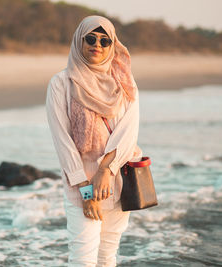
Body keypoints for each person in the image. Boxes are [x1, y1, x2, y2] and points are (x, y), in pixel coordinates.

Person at [46, 15, 142, 267]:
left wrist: (106, 170)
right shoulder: (61, 84)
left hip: (119, 181)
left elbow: (128, 133)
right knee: (82, 259)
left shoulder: (125, 83)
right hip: (82, 185)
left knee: (107, 257)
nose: (97, 44)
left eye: (104, 40)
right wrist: (87, 190)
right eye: (90, 38)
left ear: (112, 45)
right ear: (79, 41)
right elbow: (62, 141)